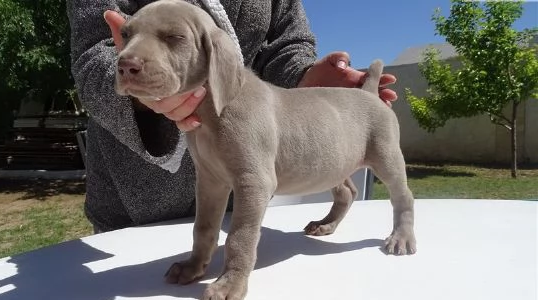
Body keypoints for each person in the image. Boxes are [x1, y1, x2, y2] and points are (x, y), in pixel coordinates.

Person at [67, 0, 398, 233]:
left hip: (241, 189)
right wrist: (145, 90)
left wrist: (304, 79)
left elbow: (285, 44)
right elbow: (93, 54)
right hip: (137, 203)